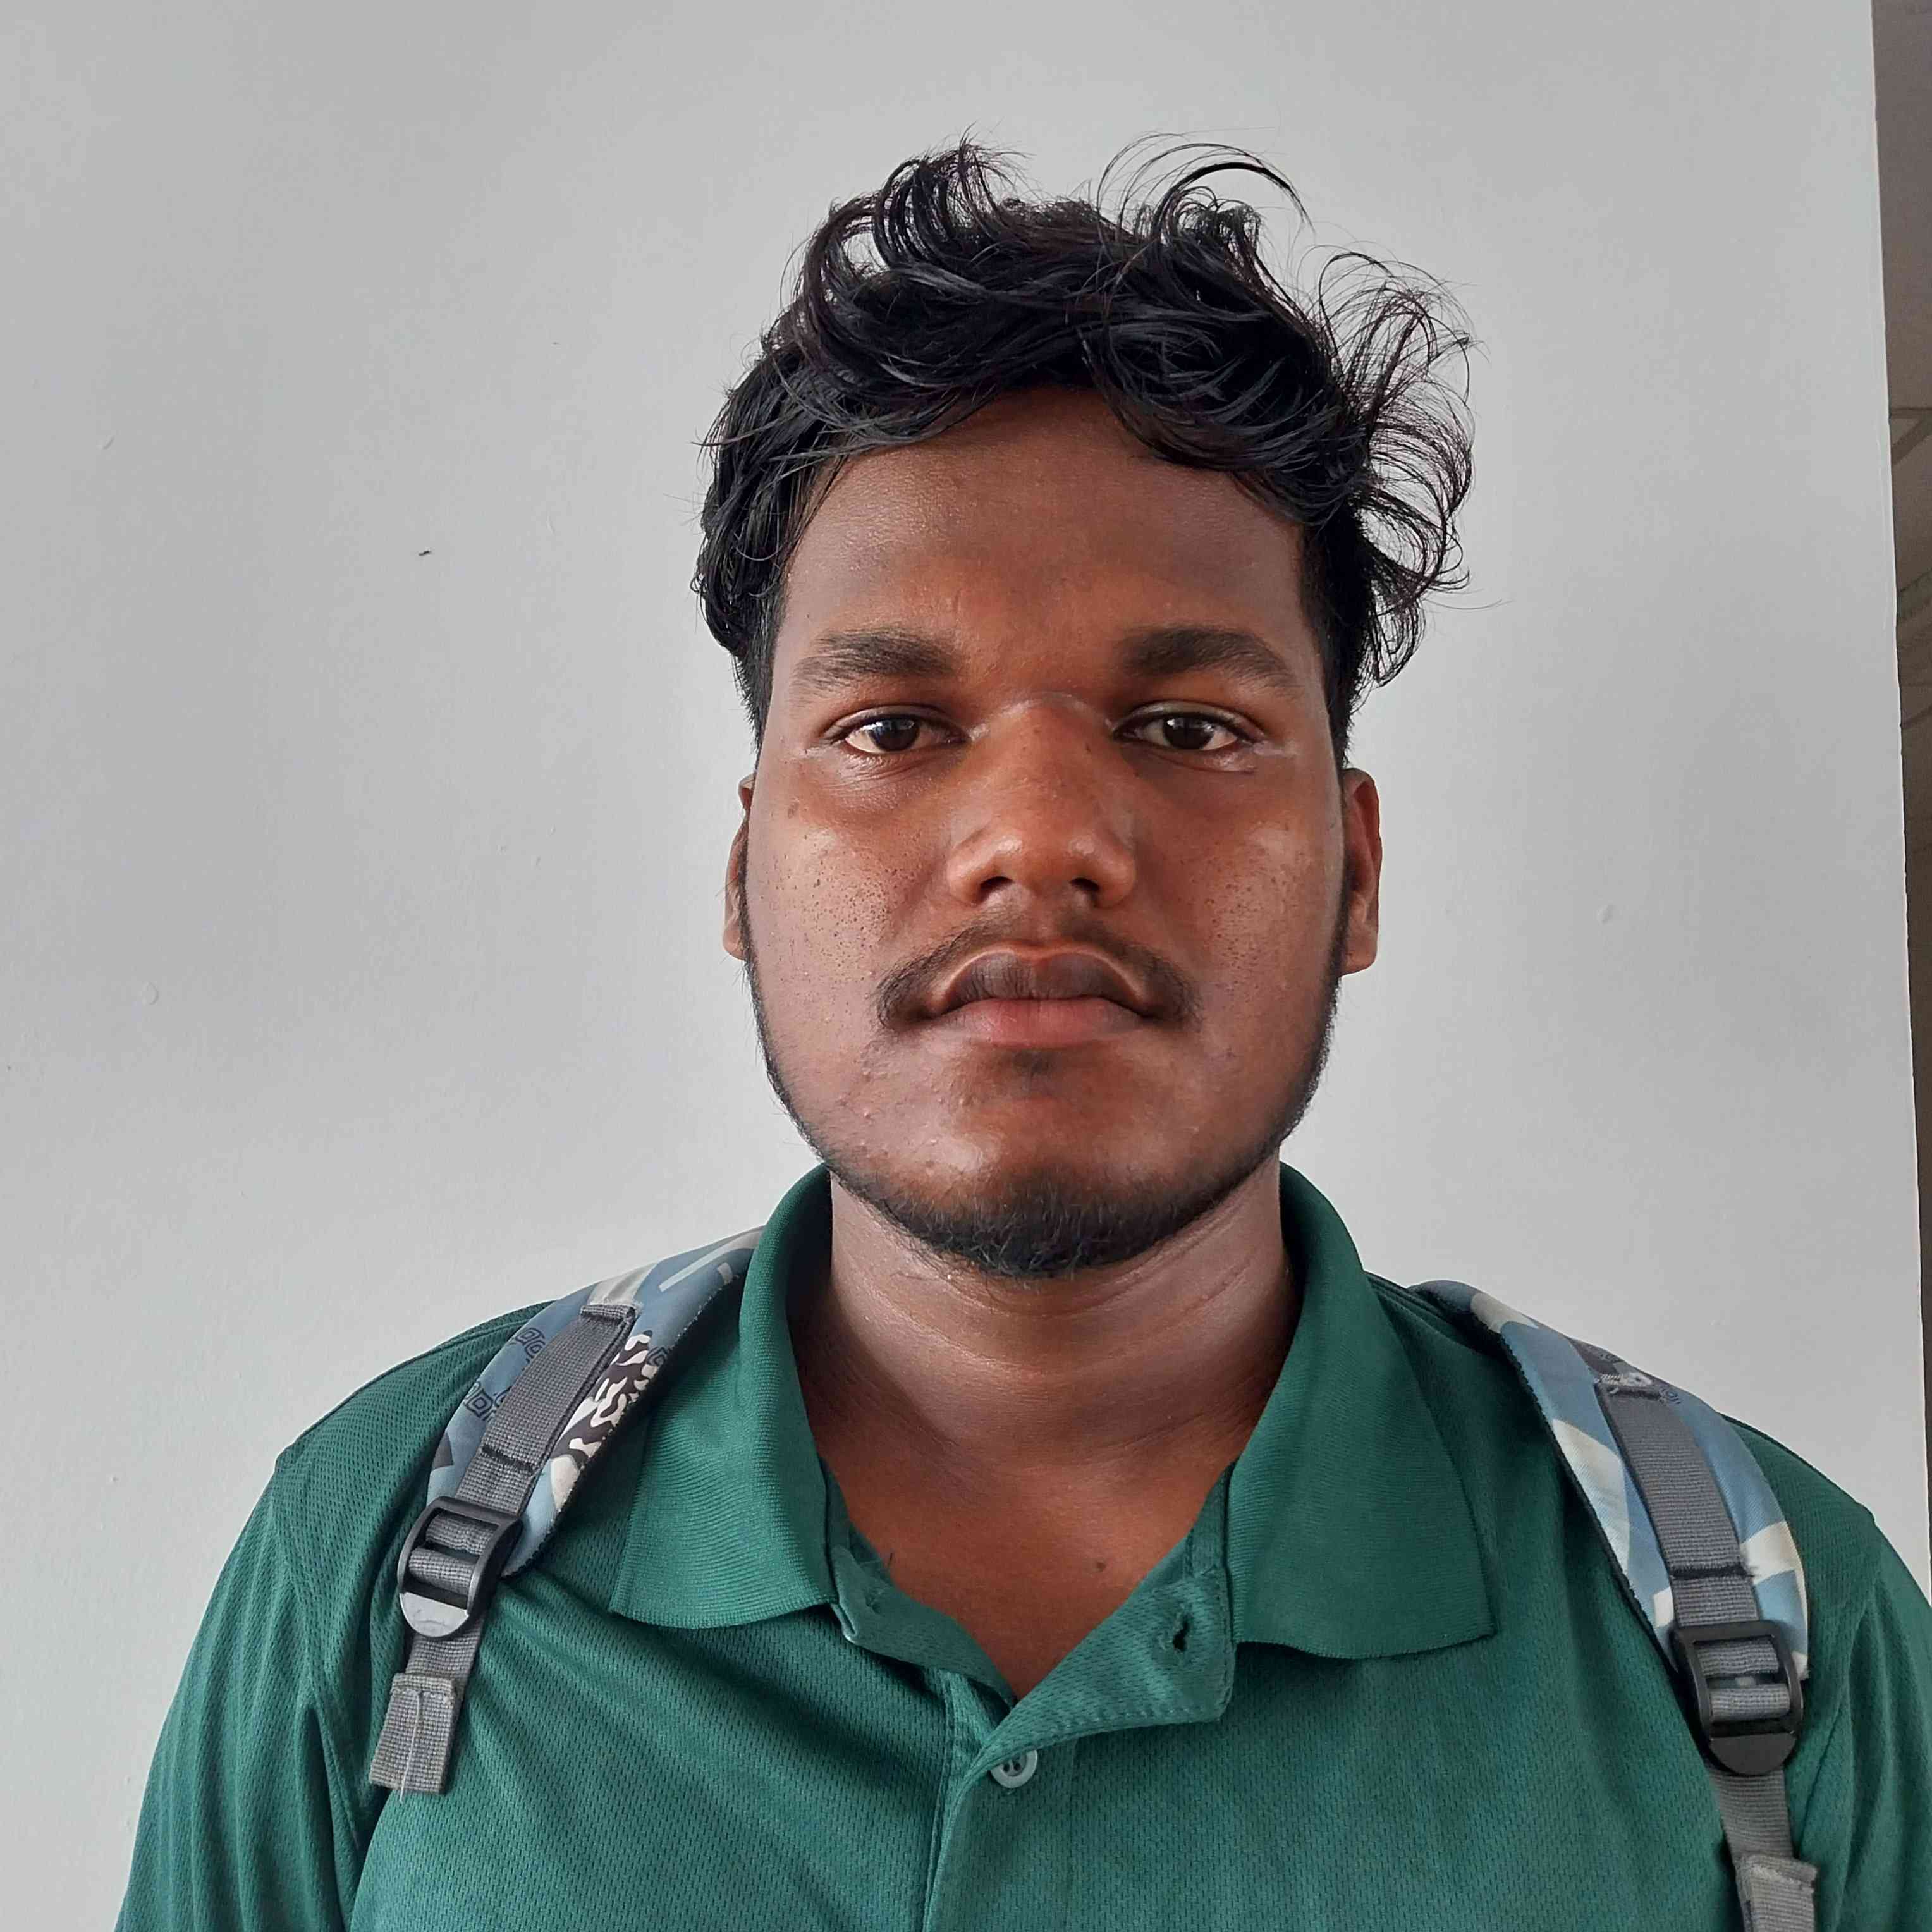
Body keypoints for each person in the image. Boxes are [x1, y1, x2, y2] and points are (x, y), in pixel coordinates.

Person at [116, 136, 1932, 1930]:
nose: (1041, 837)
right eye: (896, 730)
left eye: (1188, 728)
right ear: (745, 871)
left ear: (1357, 871)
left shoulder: (1769, 1634)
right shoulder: (383, 1557)